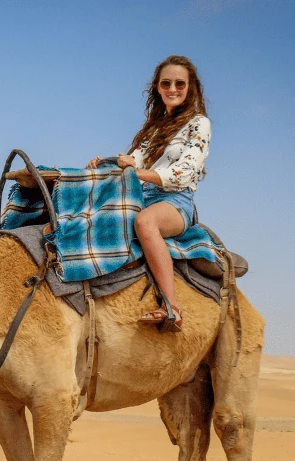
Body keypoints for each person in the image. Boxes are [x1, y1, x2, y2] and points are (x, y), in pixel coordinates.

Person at [89, 55, 211, 332]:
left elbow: (183, 173)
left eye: (180, 84)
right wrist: (106, 164)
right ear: (157, 87)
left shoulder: (198, 124)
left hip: (175, 200)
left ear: (190, 87)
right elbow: (134, 161)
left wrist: (135, 172)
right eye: (166, 83)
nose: (173, 89)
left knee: (145, 222)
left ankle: (172, 308)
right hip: (142, 195)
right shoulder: (153, 129)